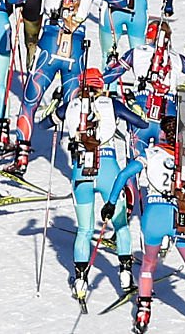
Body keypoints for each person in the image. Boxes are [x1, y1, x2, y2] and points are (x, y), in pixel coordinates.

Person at [101, 115, 185, 334]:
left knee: (148, 264)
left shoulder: (149, 154)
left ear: (162, 133)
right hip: (180, 216)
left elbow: (124, 174)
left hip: (154, 214)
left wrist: (111, 202)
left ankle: (143, 314)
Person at [2, 0, 127, 175]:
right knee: (74, 104)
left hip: (50, 43)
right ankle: (80, 158)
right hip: (75, 48)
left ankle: (21, 157)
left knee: (30, 100)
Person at [65, 67, 149, 303]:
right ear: (101, 85)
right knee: (120, 223)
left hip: (81, 169)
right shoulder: (111, 103)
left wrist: (54, 108)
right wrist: (133, 108)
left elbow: (44, 123)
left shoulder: (72, 105)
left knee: (84, 229)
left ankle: (80, 281)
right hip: (107, 167)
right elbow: (141, 124)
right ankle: (125, 276)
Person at [103, 19, 185, 151]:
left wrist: (111, 60)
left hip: (141, 107)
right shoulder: (177, 57)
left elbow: (107, 77)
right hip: (169, 110)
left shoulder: (135, 52)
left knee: (135, 162)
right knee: (167, 163)